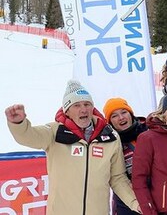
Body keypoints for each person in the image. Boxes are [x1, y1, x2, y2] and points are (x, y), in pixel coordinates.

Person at [4, 80, 140, 214]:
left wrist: (136, 203)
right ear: (67, 111)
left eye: (87, 104)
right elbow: (29, 136)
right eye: (77, 105)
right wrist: (19, 124)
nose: (83, 109)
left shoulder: (110, 137)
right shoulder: (54, 132)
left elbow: (117, 178)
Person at [103, 97, 148, 215]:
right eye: (114, 116)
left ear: (131, 114)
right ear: (110, 122)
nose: (121, 117)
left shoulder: (148, 131)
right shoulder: (108, 143)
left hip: (157, 195)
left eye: (124, 112)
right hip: (127, 202)